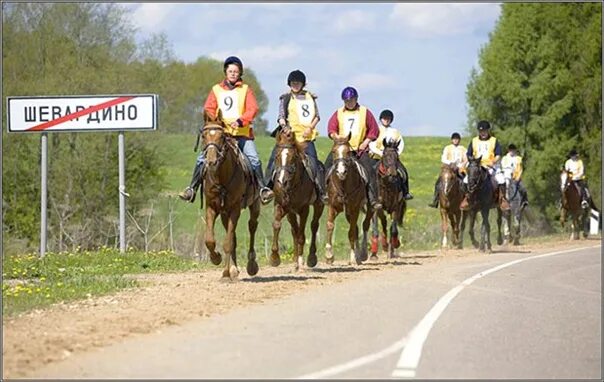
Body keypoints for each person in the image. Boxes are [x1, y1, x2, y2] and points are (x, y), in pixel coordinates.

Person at [178, 56, 274, 205]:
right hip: (221, 135)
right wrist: (216, 122)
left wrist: (241, 121)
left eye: (236, 71)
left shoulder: (246, 90)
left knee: (254, 159)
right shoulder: (216, 90)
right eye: (230, 71)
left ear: (240, 73)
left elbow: (252, 108)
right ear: (226, 72)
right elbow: (208, 108)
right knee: (202, 159)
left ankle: (262, 189)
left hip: (242, 135)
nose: (233, 74)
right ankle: (192, 189)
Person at [264, 70, 326, 202]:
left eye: (298, 83)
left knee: (314, 163)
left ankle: (320, 191)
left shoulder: (310, 98)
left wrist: (310, 128)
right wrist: (286, 128)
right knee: (274, 160)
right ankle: (267, 188)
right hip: (289, 137)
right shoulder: (286, 98)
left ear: (303, 84)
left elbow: (317, 116)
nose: (295, 85)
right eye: (293, 83)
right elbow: (281, 117)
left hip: (306, 138)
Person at [324, 86, 381, 209]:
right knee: (327, 166)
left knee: (369, 171)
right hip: (342, 149)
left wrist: (366, 142)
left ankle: (373, 199)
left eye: (351, 100)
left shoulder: (365, 112)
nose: (349, 103)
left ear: (356, 99)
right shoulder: (339, 113)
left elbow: (374, 129)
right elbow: (331, 127)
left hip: (359, 150)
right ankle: (324, 194)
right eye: (346, 101)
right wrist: (335, 136)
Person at [460, 120, 510, 211]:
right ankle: (467, 198)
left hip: (491, 165)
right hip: (477, 166)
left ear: (488, 131)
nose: (483, 133)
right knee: (465, 180)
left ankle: (503, 199)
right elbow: (469, 154)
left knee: (501, 179)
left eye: (485, 131)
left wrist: (493, 162)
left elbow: (498, 154)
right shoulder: (474, 141)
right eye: (481, 131)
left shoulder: (494, 140)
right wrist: (465, 164)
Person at [368, 109, 413, 200]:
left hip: (392, 158)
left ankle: (405, 192)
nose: (386, 120)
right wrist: (381, 153)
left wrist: (396, 155)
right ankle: (369, 195)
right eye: (384, 118)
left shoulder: (395, 131)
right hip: (377, 157)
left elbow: (401, 144)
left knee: (403, 172)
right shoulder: (376, 130)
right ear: (381, 119)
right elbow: (371, 144)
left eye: (388, 119)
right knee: (370, 173)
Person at [428, 132, 467, 208]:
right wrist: (450, 163)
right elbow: (444, 158)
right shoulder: (447, 148)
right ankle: (435, 200)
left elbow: (466, 160)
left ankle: (466, 200)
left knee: (465, 182)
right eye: (454, 139)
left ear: (459, 140)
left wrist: (460, 166)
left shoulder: (463, 149)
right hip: (449, 169)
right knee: (439, 182)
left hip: (459, 169)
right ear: (452, 140)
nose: (456, 141)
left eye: (457, 139)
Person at [500, 143, 529, 208]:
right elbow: (503, 167)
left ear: (515, 150)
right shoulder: (505, 158)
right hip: (506, 176)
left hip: (516, 177)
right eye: (510, 150)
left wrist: (518, 177)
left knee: (523, 189)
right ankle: (501, 200)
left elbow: (520, 169)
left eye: (513, 150)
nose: (512, 151)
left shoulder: (518, 158)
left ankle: (524, 201)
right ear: (508, 150)